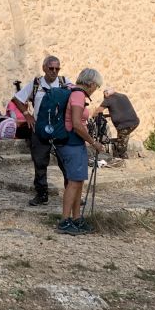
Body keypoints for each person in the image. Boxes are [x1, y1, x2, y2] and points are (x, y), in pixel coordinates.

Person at [12, 56, 73, 206]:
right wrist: (27, 115)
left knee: (66, 162)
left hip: (60, 129)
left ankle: (72, 194)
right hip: (40, 128)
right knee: (39, 162)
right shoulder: (35, 84)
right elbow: (17, 99)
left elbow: (77, 98)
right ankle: (41, 194)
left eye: (57, 68)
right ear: (44, 68)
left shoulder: (65, 83)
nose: (54, 71)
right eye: (51, 68)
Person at [54, 69, 105, 236]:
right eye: (96, 86)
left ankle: (76, 219)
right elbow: (76, 123)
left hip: (74, 143)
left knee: (78, 181)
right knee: (74, 182)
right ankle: (64, 221)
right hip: (71, 143)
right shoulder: (78, 95)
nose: (95, 89)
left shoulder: (75, 93)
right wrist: (93, 142)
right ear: (90, 83)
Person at [95, 88, 140, 167]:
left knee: (120, 146)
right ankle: (121, 155)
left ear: (106, 94)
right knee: (123, 138)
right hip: (134, 122)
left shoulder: (108, 98)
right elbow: (121, 111)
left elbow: (98, 111)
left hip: (124, 125)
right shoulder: (122, 96)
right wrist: (109, 115)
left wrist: (92, 117)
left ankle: (123, 162)